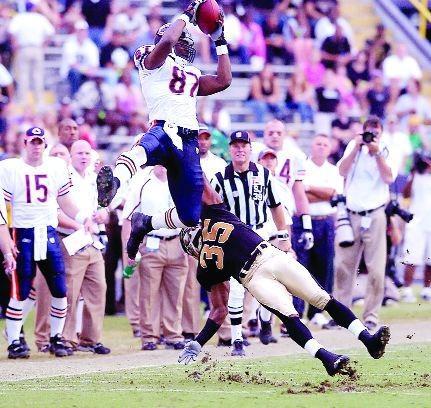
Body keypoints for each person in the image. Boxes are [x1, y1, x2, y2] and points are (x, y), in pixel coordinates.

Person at [176, 182, 390, 376]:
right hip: (267, 260)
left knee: (305, 307)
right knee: (312, 304)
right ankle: (336, 354)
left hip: (260, 268)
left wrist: (198, 342)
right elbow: (200, 181)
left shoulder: (205, 260)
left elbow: (218, 312)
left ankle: (360, 344)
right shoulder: (214, 217)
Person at [97, 1, 232, 261]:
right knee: (144, 149)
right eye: (182, 36)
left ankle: (146, 223)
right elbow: (168, 42)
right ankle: (113, 183)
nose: (186, 41)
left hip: (189, 139)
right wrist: (186, 13)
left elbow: (223, 80)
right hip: (164, 127)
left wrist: (220, 40)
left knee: (190, 216)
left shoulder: (191, 71)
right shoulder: (149, 55)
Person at [0, 127, 93, 359]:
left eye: (40, 141)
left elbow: (65, 200)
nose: (36, 145)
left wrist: (83, 218)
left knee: (60, 289)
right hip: (23, 233)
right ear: (24, 143)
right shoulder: (10, 168)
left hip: (49, 232)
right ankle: (13, 340)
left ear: (45, 144)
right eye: (32, 141)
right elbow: (2, 210)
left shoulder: (56, 167)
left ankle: (56, 337)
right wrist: (6, 246)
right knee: (20, 291)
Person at [211, 130, 291, 356]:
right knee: (236, 289)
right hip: (234, 239)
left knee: (267, 283)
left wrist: (283, 235)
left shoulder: (264, 175)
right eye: (235, 145)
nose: (239, 149)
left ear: (250, 148)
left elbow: (276, 205)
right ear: (229, 150)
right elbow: (210, 209)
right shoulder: (219, 178)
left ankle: (265, 319)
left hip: (258, 235)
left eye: (243, 145)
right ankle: (237, 340)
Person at [333, 116, 398, 330]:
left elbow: (389, 178)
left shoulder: (388, 148)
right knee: (344, 266)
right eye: (369, 131)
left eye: (376, 131)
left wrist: (376, 151)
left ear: (381, 132)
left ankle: (371, 315)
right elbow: (341, 171)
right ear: (362, 132)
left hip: (376, 213)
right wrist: (356, 147)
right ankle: (341, 313)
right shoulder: (354, 145)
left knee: (376, 269)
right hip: (352, 212)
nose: (372, 135)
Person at [122, 165, 189, 350]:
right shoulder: (142, 181)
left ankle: (173, 334)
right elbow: (128, 217)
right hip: (151, 242)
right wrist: (130, 249)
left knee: (176, 293)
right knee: (148, 294)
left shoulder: (181, 179)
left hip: (177, 241)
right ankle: (149, 336)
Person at [58, 140, 110, 354]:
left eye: (87, 153)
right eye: (79, 153)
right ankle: (66, 339)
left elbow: (104, 208)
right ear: (71, 155)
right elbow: (57, 210)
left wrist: (103, 215)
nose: (84, 156)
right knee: (70, 292)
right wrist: (80, 223)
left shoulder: (93, 177)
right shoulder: (64, 177)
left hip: (92, 241)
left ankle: (91, 338)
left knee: (98, 289)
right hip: (72, 239)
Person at [295, 134, 343, 327]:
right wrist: (322, 192)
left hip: (326, 222)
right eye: (318, 143)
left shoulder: (334, 170)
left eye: (325, 144)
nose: (321, 147)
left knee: (324, 267)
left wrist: (309, 189)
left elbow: (334, 195)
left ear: (329, 148)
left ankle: (317, 311)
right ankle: (297, 311)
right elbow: (299, 195)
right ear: (311, 146)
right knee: (301, 267)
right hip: (304, 220)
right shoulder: (302, 167)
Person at [401, 154, 431, 302]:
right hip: (417, 223)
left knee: (430, 258)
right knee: (412, 256)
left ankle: (427, 289)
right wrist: (413, 173)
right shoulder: (415, 176)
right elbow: (405, 193)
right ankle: (407, 289)